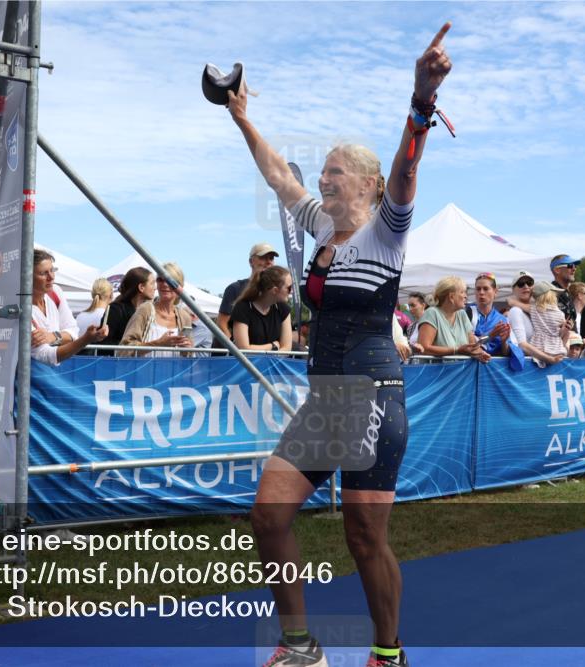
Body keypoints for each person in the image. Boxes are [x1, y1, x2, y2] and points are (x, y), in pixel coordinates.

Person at [227, 22, 453, 667]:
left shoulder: (387, 229)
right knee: (268, 516)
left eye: (334, 171)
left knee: (363, 537)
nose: (322, 178)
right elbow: (279, 175)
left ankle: (388, 652)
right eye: (322, 170)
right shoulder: (321, 227)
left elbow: (407, 167)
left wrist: (422, 98)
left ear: (366, 183)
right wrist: (242, 118)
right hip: (328, 400)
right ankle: (300, 647)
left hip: (373, 398)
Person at [30, 249, 107, 365]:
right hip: (29, 372)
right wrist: (85, 339)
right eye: (43, 273)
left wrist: (52, 336)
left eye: (52, 270)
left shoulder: (55, 292)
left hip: (50, 370)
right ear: (27, 276)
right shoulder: (20, 307)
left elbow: (73, 332)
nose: (51, 277)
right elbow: (45, 355)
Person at [120, 262, 193, 357]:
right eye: (160, 280)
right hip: (146, 367)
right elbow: (124, 349)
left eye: (171, 281)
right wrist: (158, 343)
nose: (165, 284)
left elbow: (189, 356)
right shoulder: (145, 310)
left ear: (180, 286)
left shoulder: (184, 317)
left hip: (174, 367)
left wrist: (187, 350)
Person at [417, 276, 491, 362]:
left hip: (460, 370)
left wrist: (481, 353)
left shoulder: (462, 314)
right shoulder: (432, 313)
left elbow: (472, 346)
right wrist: (457, 350)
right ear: (451, 297)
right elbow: (423, 348)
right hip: (435, 370)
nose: (466, 296)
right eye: (462, 292)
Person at [217, 243, 279, 340]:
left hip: (265, 348)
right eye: (263, 258)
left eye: (271, 258)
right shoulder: (235, 289)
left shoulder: (276, 292)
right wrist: (233, 345)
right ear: (251, 261)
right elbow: (222, 323)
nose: (268, 262)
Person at [230, 266, 294, 351]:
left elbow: (286, 349)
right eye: (289, 288)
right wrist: (273, 346)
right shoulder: (242, 308)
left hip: (274, 360)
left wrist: (263, 351)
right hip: (245, 360)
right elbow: (244, 349)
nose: (292, 291)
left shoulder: (283, 309)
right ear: (275, 290)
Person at [102, 267, 156, 347]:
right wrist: (128, 346)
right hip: (118, 355)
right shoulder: (115, 310)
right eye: (152, 283)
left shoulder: (149, 311)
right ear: (141, 287)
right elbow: (104, 342)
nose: (155, 288)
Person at [467, 272, 511, 356]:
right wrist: (490, 335)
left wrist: (504, 342)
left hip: (493, 363)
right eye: (478, 289)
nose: (481, 292)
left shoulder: (502, 319)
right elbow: (467, 344)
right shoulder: (468, 313)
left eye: (485, 289)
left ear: (495, 292)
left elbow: (505, 353)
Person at [528, 281, 567, 364]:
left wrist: (510, 300)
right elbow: (561, 333)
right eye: (554, 294)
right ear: (550, 296)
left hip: (538, 347)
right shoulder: (560, 314)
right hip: (556, 348)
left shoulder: (533, 309)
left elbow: (513, 303)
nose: (556, 297)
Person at [549, 254, 580, 324]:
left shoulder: (566, 293)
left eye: (575, 266)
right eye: (570, 265)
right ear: (557, 270)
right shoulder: (550, 293)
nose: (574, 269)